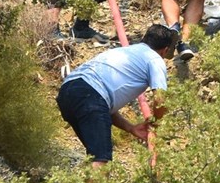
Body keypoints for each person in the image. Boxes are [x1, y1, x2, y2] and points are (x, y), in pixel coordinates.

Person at [56, 25, 177, 165]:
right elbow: (160, 99)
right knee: (101, 160)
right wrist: (155, 123)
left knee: (96, 154)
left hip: (68, 90)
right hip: (90, 95)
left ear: (144, 39)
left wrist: (130, 128)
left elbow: (102, 104)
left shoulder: (123, 52)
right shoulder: (155, 59)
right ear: (165, 50)